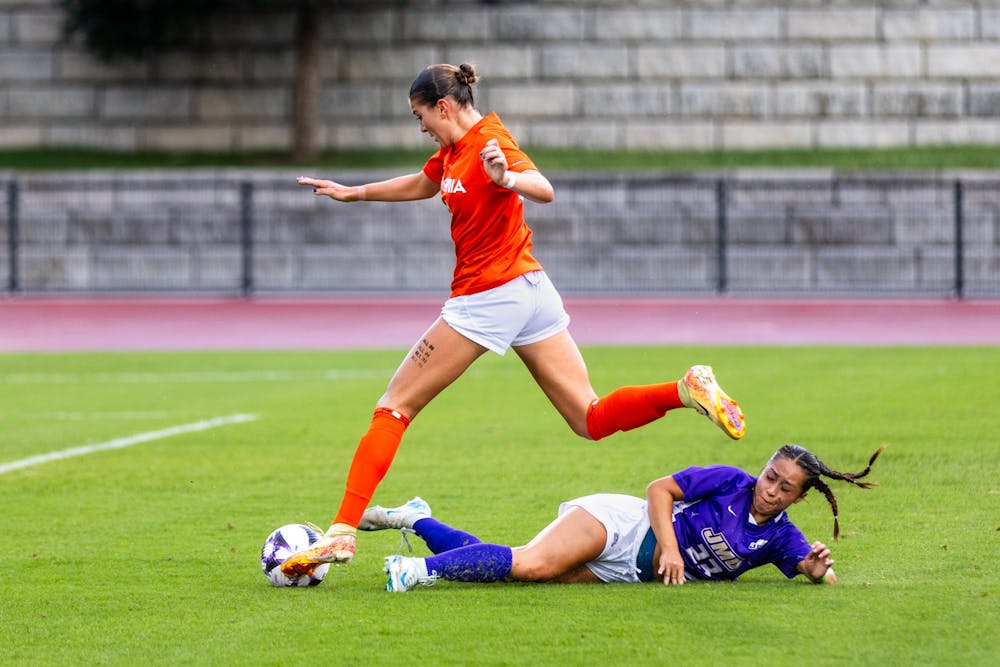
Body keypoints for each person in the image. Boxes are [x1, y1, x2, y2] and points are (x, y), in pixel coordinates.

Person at [280, 63, 746, 578]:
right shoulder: (453, 151)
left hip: (489, 295)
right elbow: (423, 183)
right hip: (529, 289)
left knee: (393, 407)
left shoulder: (490, 140)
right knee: (588, 418)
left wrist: (508, 178)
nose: (419, 127)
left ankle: (341, 533)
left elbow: (543, 188)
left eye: (420, 116)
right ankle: (685, 389)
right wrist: (355, 193)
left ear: (444, 106)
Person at [364, 444, 883, 592]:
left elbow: (821, 572)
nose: (769, 488)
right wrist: (673, 550)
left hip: (626, 572)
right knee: (533, 565)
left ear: (798, 499)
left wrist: (817, 571)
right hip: (623, 523)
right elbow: (659, 490)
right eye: (770, 475)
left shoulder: (782, 539)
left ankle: (415, 519)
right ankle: (415, 572)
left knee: (514, 570)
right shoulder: (729, 480)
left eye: (783, 487)